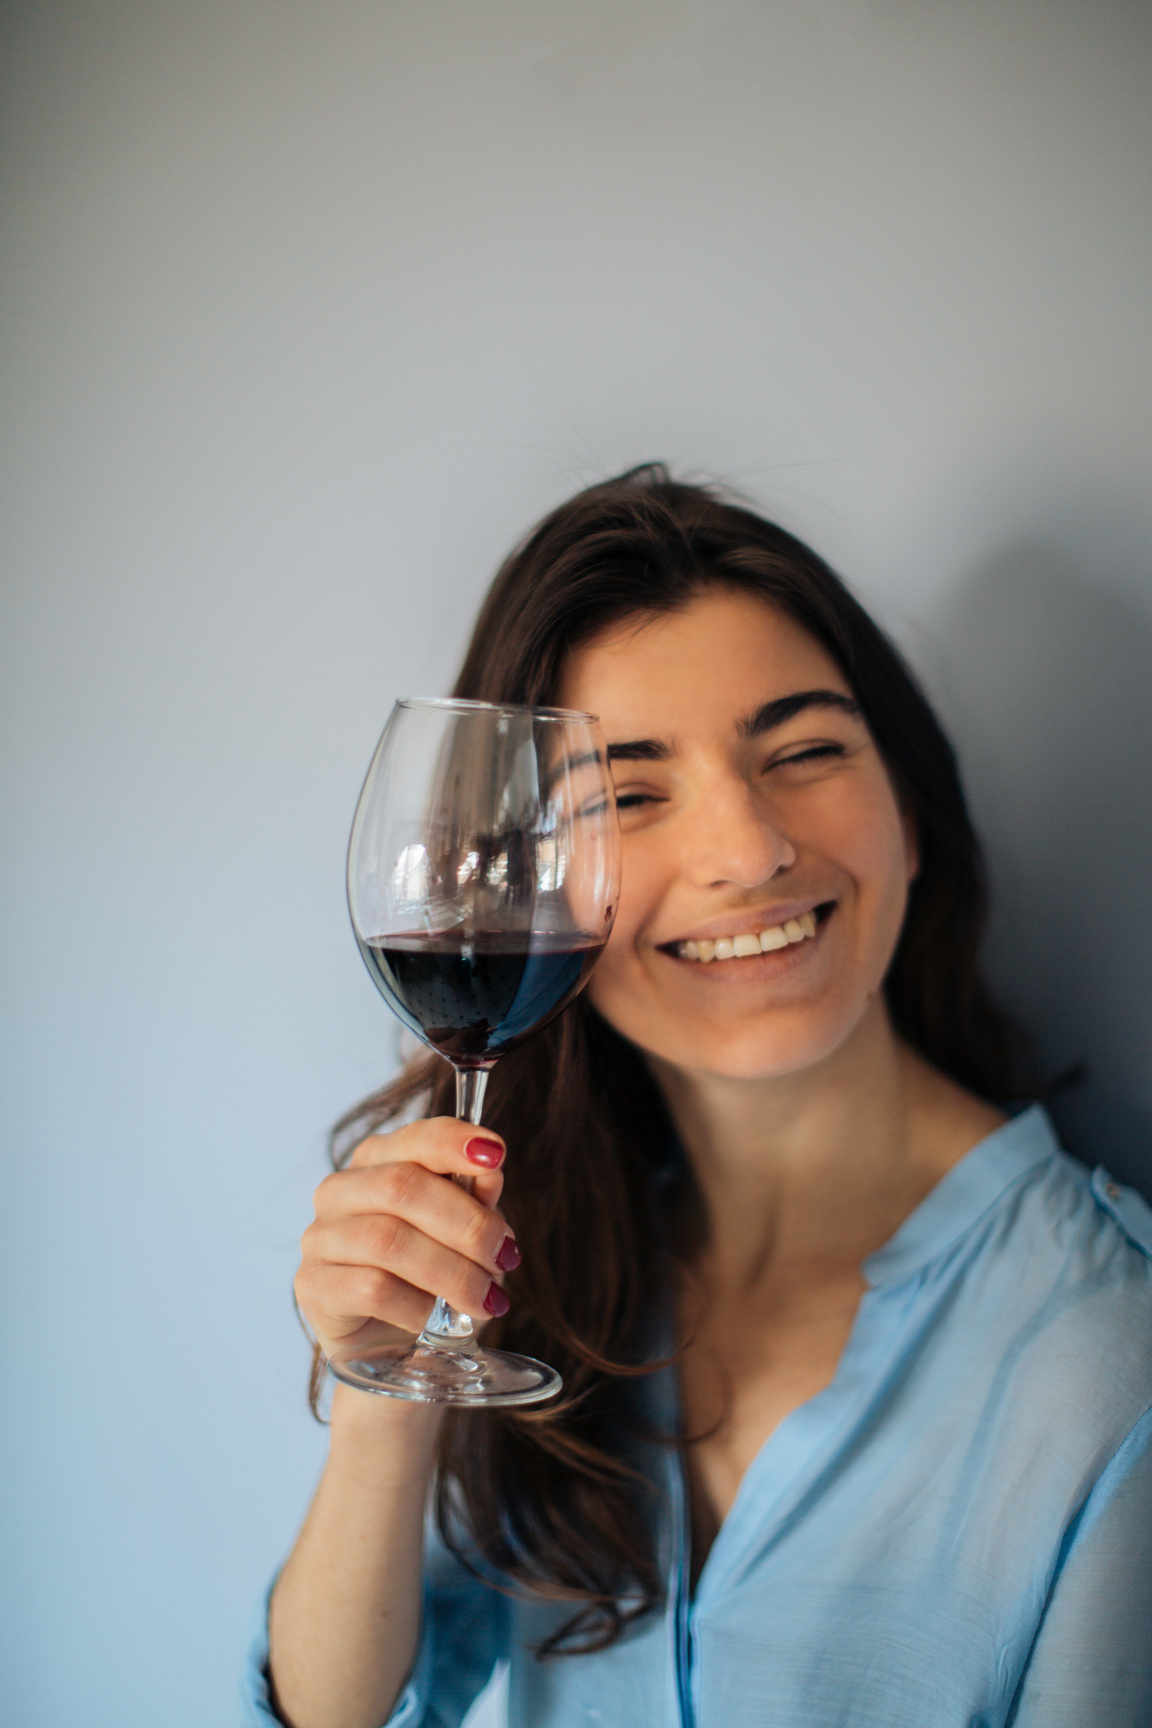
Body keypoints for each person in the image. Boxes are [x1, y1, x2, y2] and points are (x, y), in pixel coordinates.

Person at [245, 468, 1152, 1728]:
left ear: (912, 813)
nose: (749, 851)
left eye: (805, 750)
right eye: (626, 795)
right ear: (524, 884)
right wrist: (382, 1403)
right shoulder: (544, 1264)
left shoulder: (1117, 1362)